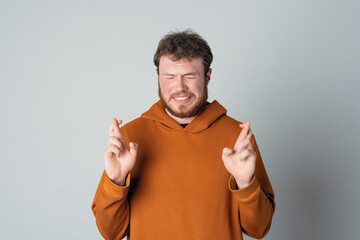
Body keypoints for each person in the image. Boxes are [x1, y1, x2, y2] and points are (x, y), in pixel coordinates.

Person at [91, 30, 275, 240]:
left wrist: (245, 183)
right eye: (170, 76)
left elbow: (259, 229)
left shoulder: (238, 137)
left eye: (190, 76)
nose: (180, 87)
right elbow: (110, 232)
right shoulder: (130, 138)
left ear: (207, 76)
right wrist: (116, 181)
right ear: (158, 77)